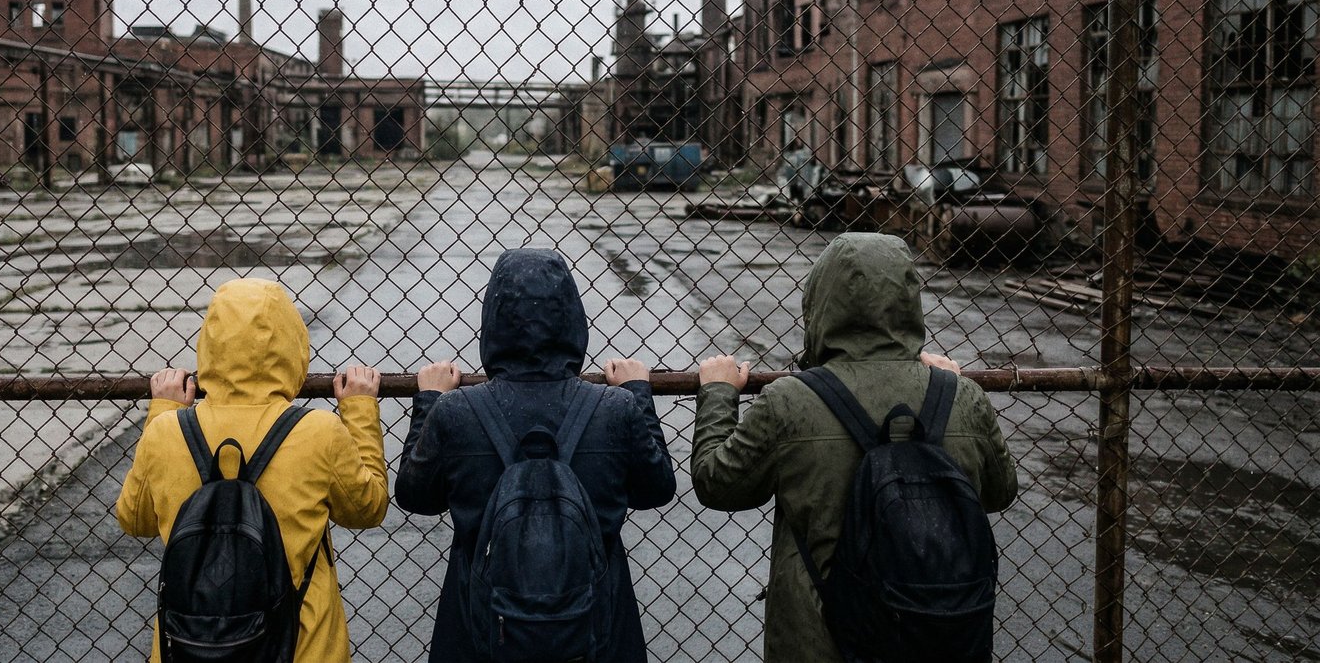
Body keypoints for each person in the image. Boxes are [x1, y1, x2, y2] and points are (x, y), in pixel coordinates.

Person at [691, 232, 1018, 662]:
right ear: (908, 298)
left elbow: (718, 484)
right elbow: (1000, 491)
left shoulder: (790, 399)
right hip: (936, 635)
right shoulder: (961, 396)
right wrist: (953, 388)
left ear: (820, 302)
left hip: (820, 641)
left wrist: (717, 392)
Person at [395, 247, 677, 663]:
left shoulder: (457, 413)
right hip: (596, 624)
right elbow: (656, 489)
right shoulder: (613, 409)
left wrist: (429, 402)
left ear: (492, 321)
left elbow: (416, 497)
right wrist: (638, 393)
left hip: (483, 627)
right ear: (574, 320)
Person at [117, 277, 389, 663]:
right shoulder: (317, 431)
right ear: (293, 344)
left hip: (192, 645)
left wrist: (162, 409)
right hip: (302, 648)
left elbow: (135, 519)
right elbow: (367, 510)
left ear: (208, 345)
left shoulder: (167, 432)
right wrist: (359, 408)